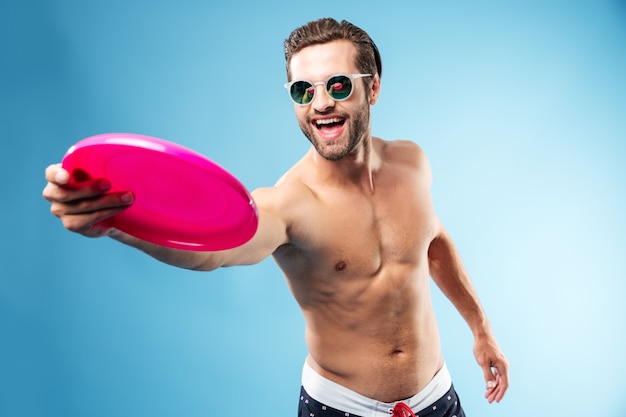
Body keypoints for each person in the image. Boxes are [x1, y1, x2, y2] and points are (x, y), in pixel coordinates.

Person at [43, 17, 509, 417]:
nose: (321, 103)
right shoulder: (288, 204)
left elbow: (433, 240)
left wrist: (481, 330)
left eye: (338, 85)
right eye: (303, 90)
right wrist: (119, 223)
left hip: (437, 398)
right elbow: (216, 252)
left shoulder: (413, 163)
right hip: (341, 408)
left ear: (374, 87)